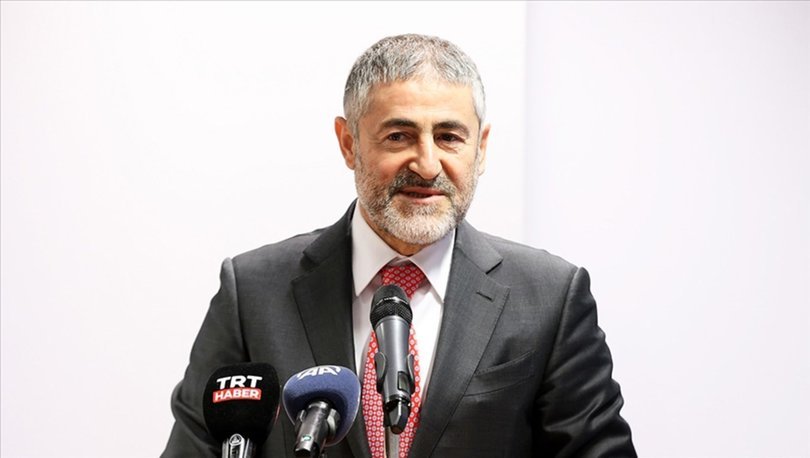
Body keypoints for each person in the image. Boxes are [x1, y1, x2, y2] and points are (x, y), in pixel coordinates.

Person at [162, 34, 635, 457]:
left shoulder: (550, 298)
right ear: (349, 143)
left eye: (449, 137)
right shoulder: (252, 293)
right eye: (399, 136)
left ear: (482, 148)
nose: (427, 164)